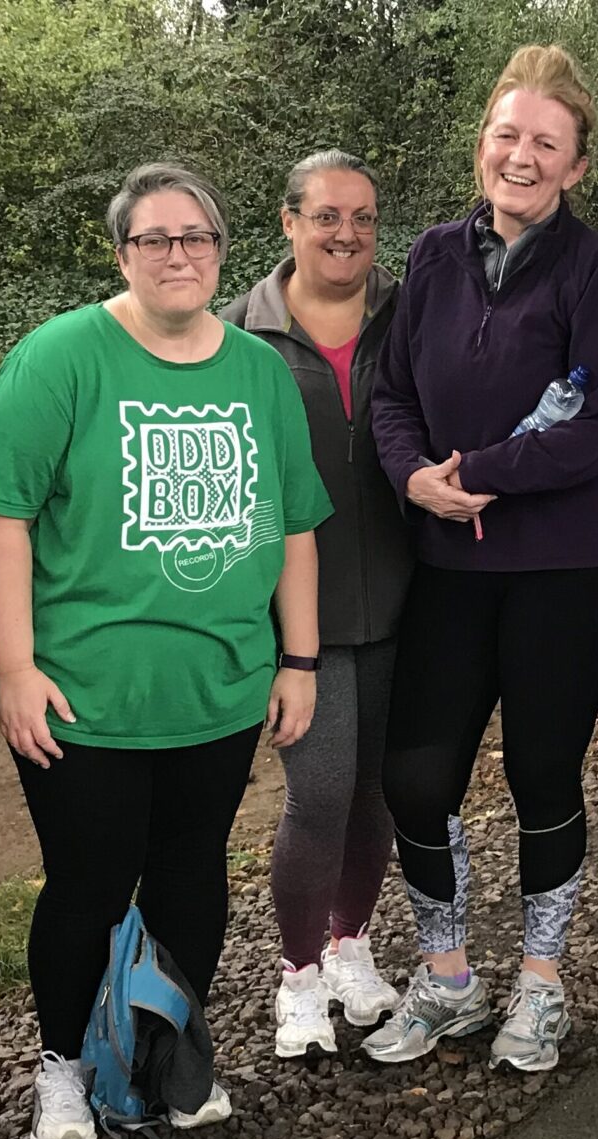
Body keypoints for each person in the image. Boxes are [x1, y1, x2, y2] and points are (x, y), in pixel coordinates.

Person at [0, 163, 330, 1139]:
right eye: (154, 238)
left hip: (217, 689)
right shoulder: (58, 360)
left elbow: (296, 527)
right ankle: (61, 1067)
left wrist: (298, 661)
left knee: (190, 879)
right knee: (88, 882)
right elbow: (3, 522)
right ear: (121, 252)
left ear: (222, 249)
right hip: (85, 693)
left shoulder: (260, 373)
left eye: (197, 236)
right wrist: (17, 671)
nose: (178, 254)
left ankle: (167, 1053)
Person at [363, 44, 598, 1073]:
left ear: (574, 166)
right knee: (415, 772)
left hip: (570, 564)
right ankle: (446, 977)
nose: (519, 157)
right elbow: (391, 394)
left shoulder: (597, 271)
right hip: (449, 560)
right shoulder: (434, 257)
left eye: (545, 143)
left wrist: (477, 468)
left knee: (539, 765)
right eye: (506, 135)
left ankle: (539, 980)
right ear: (482, 142)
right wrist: (414, 479)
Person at [218, 151, 410, 1056]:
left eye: (364, 218)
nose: (347, 234)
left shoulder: (408, 316)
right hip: (297, 614)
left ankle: (352, 947)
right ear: (289, 222)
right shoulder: (234, 336)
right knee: (321, 791)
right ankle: (297, 973)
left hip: (405, 596)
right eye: (328, 216)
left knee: (378, 793)